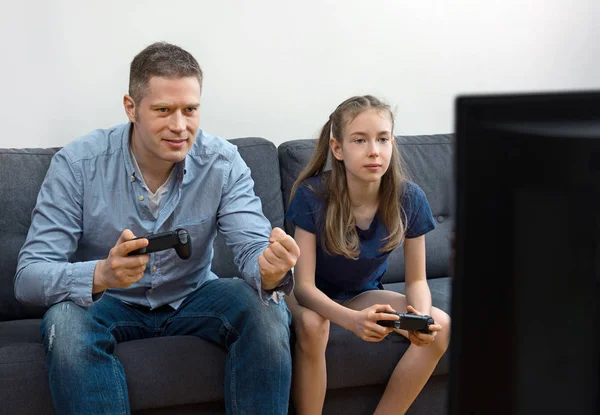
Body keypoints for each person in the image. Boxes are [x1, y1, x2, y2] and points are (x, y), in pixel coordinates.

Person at [14, 42, 299, 415]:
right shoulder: (78, 164)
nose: (179, 126)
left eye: (190, 110)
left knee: (268, 310)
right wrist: (101, 273)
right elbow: (29, 276)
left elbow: (251, 249)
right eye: (163, 110)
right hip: (108, 302)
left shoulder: (224, 163)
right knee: (65, 323)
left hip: (195, 295)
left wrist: (270, 269)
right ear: (131, 108)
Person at [285, 95, 451, 414]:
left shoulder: (410, 198)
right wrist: (352, 321)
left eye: (382, 139)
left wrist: (422, 319)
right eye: (360, 140)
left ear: (392, 143)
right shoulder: (312, 196)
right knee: (313, 326)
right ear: (337, 148)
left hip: (359, 294)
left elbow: (417, 279)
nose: (374, 150)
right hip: (304, 293)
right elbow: (304, 287)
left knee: (441, 327)